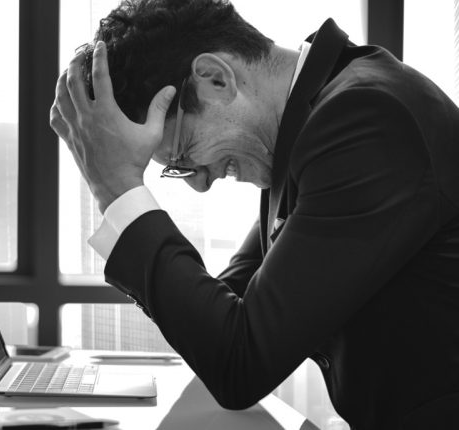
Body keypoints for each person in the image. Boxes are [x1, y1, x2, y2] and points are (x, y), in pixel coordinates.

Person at [49, 0, 459, 428]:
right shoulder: (307, 126)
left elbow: (238, 361)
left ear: (215, 79)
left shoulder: (365, 120)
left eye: (185, 155)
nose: (201, 184)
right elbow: (230, 309)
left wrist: (116, 188)